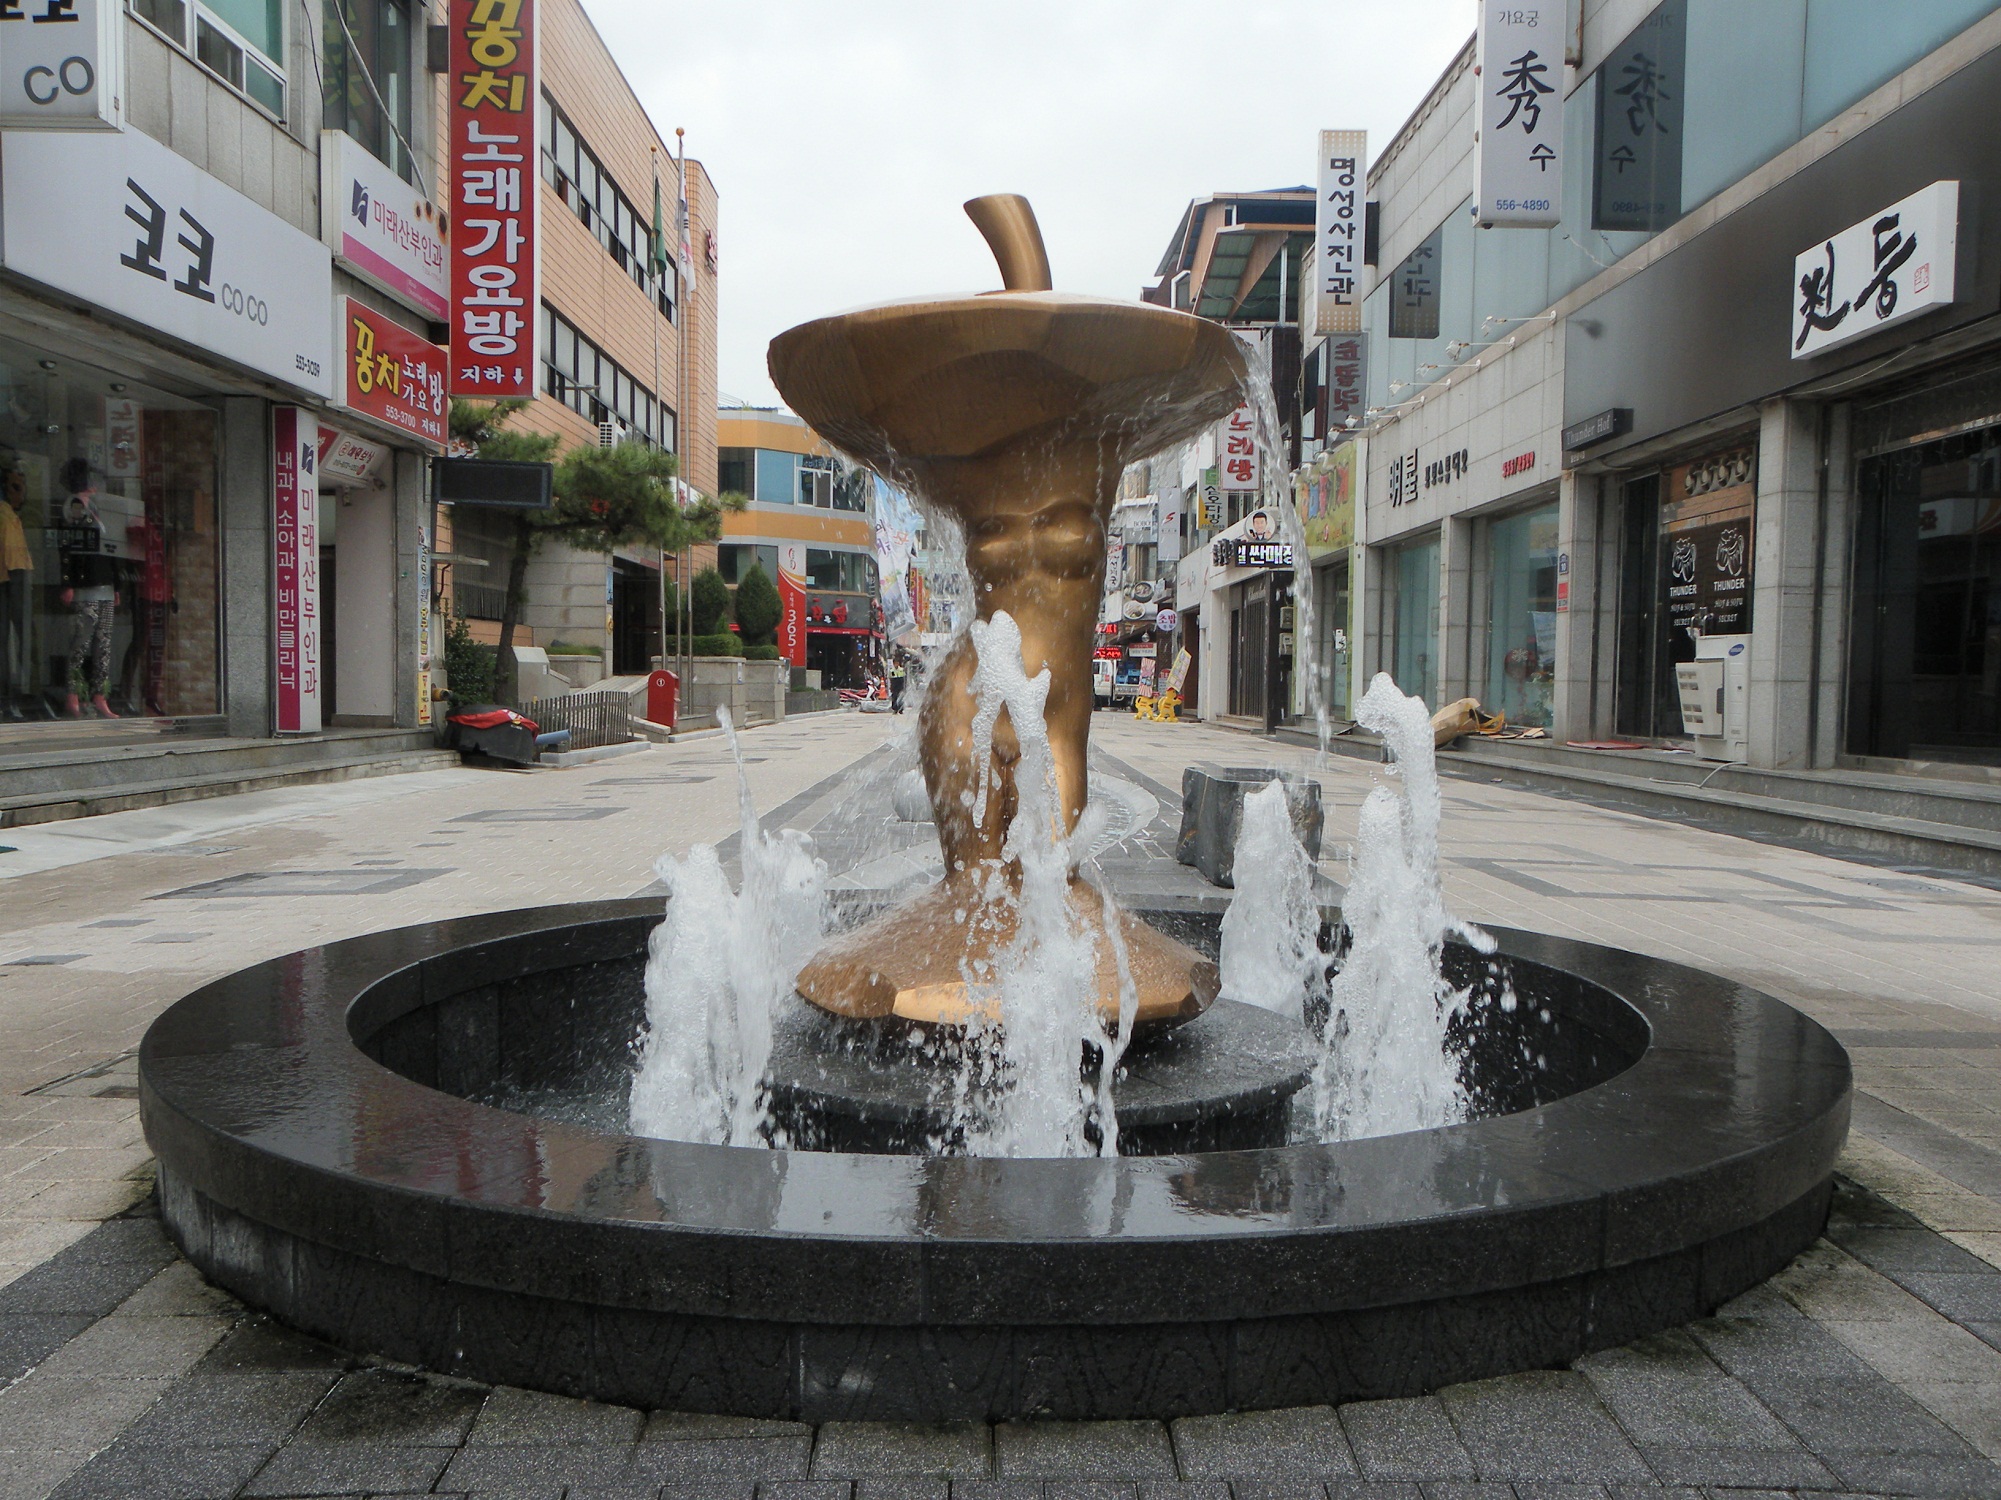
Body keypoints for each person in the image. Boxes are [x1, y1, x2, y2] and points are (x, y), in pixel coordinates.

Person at [57, 458, 121, 719]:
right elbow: (68, 547)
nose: (97, 485)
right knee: (82, 640)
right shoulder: (74, 506)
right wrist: (67, 582)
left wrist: (117, 585)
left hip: (104, 581)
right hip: (85, 583)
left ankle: (99, 695)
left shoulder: (97, 508)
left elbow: (112, 547)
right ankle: (74, 694)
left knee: (104, 642)